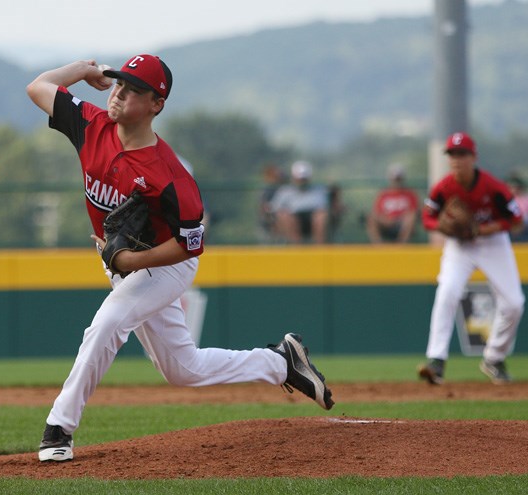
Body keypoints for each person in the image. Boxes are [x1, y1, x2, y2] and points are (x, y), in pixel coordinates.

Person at [26, 54, 334, 462]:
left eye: (134, 90)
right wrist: (83, 71)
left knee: (107, 324)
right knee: (182, 369)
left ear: (157, 104)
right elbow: (39, 87)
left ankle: (58, 429)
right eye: (119, 83)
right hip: (123, 264)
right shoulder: (90, 125)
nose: (119, 93)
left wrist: (131, 264)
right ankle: (281, 363)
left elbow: (191, 244)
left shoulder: (169, 175)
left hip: (164, 264)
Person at [417, 132, 525, 386]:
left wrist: (484, 229)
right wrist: (442, 227)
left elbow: (517, 220)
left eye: (462, 154)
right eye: (452, 154)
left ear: (473, 157)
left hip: (492, 243)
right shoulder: (443, 187)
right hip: (460, 245)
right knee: (447, 292)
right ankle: (437, 360)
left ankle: (494, 358)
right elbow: (427, 218)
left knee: (514, 303)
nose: (456, 159)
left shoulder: (493, 186)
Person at [270, 161, 329, 244]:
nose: (302, 181)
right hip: (291, 222)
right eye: (299, 178)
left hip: (312, 222)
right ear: (293, 177)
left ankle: (320, 250)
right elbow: (275, 211)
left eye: (304, 179)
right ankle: (297, 249)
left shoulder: (319, 190)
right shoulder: (284, 191)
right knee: (286, 216)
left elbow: (323, 208)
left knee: (321, 216)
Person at [366, 164, 419, 244]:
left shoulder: (410, 194)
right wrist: (387, 219)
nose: (397, 182)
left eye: (398, 179)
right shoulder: (383, 194)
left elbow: (414, 212)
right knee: (371, 217)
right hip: (386, 223)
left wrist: (398, 219)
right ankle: (378, 247)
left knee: (410, 218)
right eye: (395, 179)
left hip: (402, 224)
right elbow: (377, 212)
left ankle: (401, 246)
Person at [506, 173, 528, 242]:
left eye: (515, 187)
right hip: (510, 228)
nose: (512, 189)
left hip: (526, 230)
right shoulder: (506, 200)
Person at [257, 163, 285, 243]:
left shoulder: (283, 188)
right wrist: (270, 219)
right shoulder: (266, 190)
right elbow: (264, 208)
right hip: (270, 222)